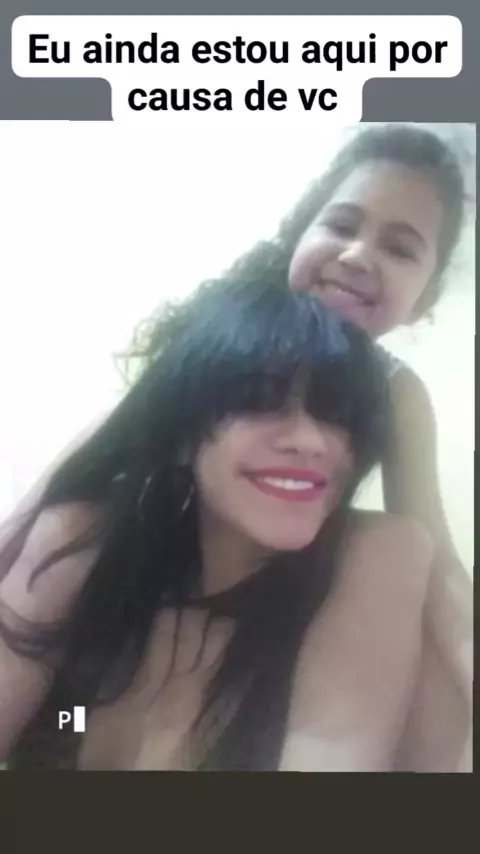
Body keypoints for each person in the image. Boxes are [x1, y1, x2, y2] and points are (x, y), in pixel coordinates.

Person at [0, 278, 466, 771]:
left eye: (337, 414)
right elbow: (64, 721)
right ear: (182, 433)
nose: (311, 441)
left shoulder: (368, 564)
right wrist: (72, 723)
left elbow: (329, 753)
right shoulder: (90, 545)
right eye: (259, 400)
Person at [218, 124, 473, 739]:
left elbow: (435, 554)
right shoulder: (221, 337)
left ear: (423, 301)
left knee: (401, 554)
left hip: (287, 594)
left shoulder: (396, 392)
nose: (358, 255)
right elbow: (102, 453)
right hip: (171, 564)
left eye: (400, 249)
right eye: (340, 225)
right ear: (296, 237)